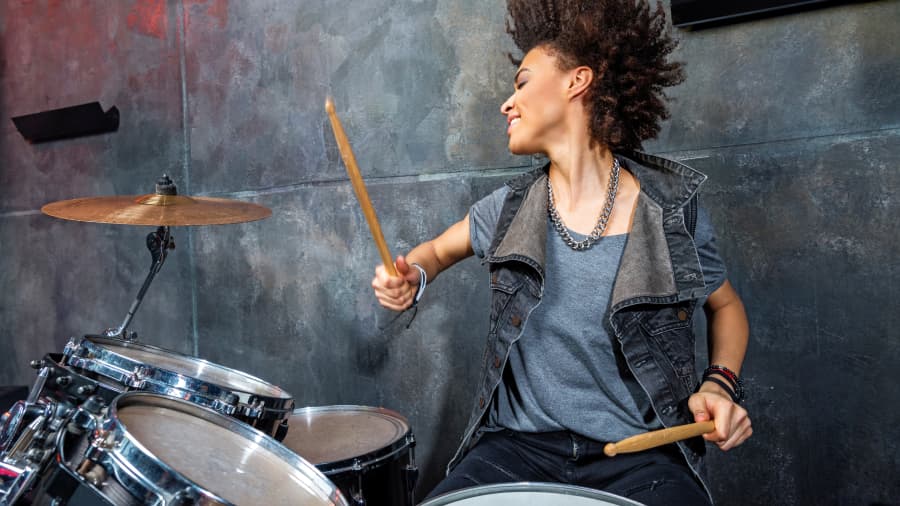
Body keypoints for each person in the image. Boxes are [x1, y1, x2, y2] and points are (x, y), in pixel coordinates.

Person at [371, 1, 751, 504]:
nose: (508, 103)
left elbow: (726, 307)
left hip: (638, 457)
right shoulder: (507, 208)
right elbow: (435, 252)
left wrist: (720, 386)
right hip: (516, 450)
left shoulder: (669, 212)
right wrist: (411, 276)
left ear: (578, 81)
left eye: (523, 82)